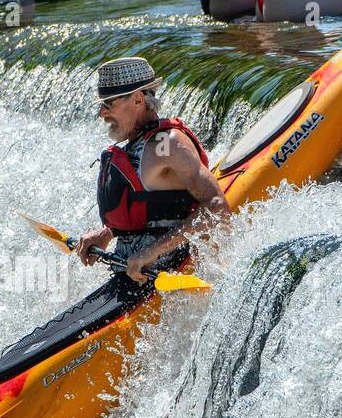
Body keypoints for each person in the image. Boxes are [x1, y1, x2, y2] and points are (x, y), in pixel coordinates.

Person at [75, 57, 230, 283]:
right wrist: (107, 233)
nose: (102, 113)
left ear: (138, 100)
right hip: (130, 273)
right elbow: (152, 211)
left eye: (109, 103)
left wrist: (153, 251)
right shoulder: (136, 143)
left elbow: (217, 208)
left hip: (165, 275)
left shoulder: (169, 144)